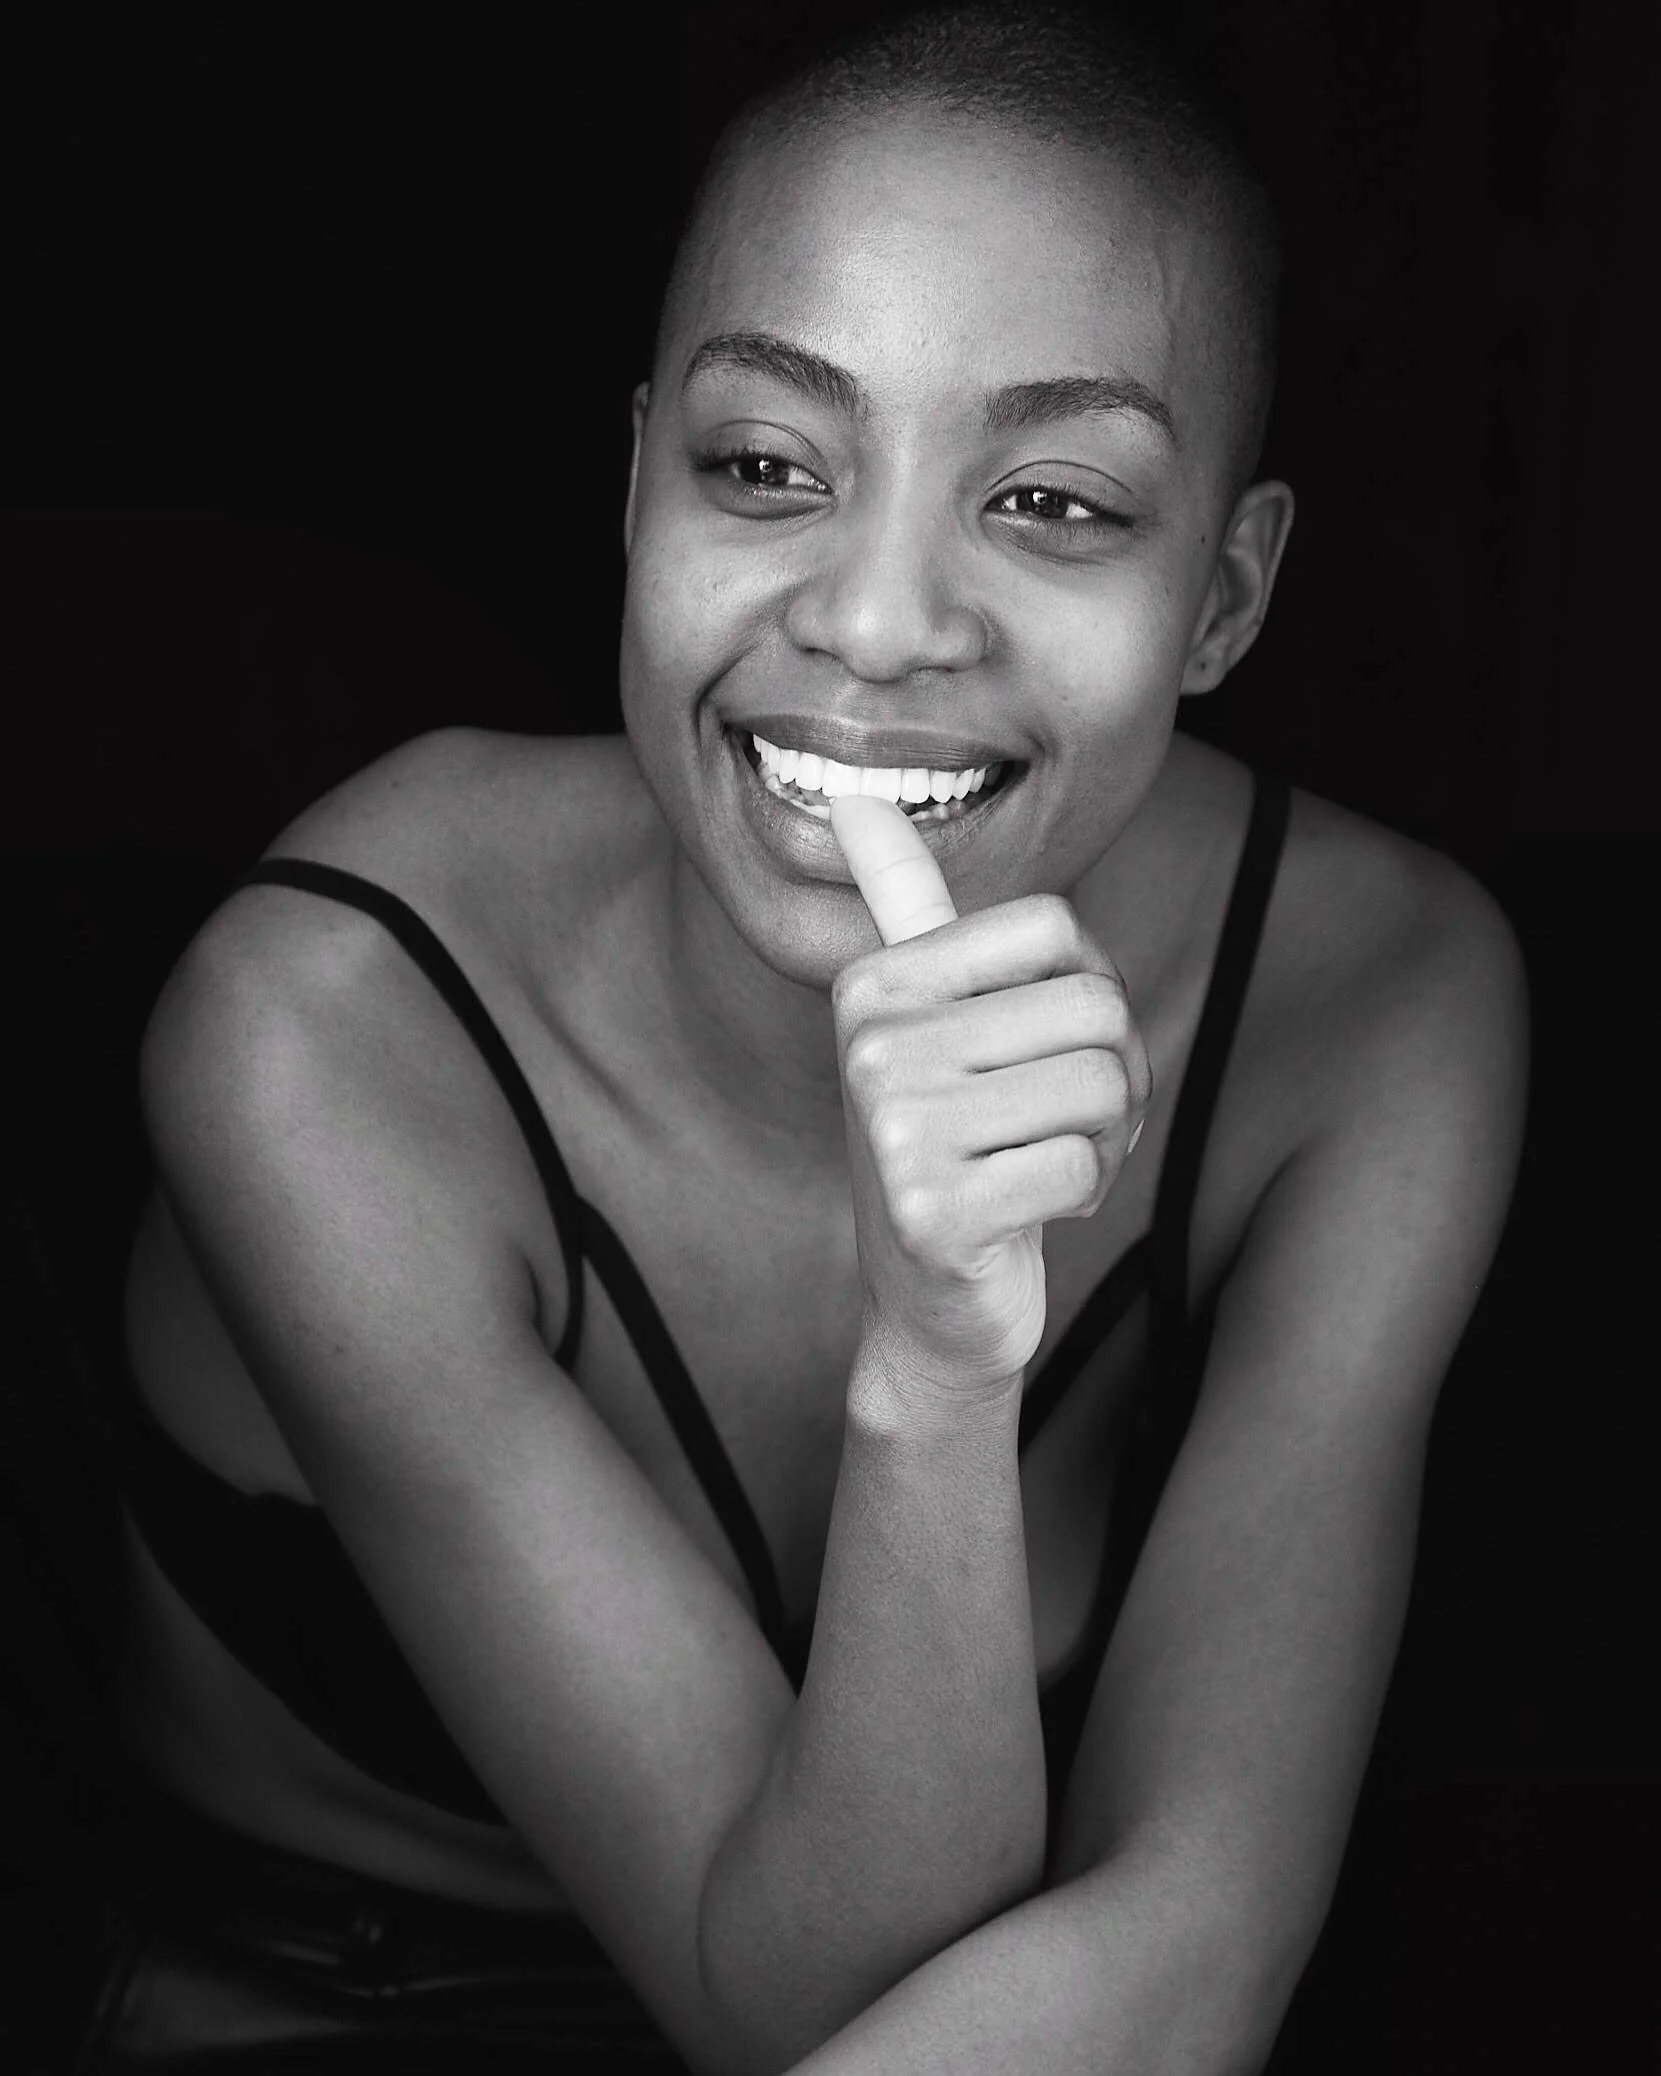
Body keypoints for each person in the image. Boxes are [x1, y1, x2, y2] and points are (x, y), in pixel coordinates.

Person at [95, 3, 1529, 2069]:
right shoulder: (322, 1032)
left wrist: (944, 1359)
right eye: (766, 467)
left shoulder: (1375, 1000)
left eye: (1051, 503)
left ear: (1222, 597)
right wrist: (935, 1373)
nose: (871, 622)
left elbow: (1195, 1940)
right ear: (635, 488)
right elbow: (777, 1994)